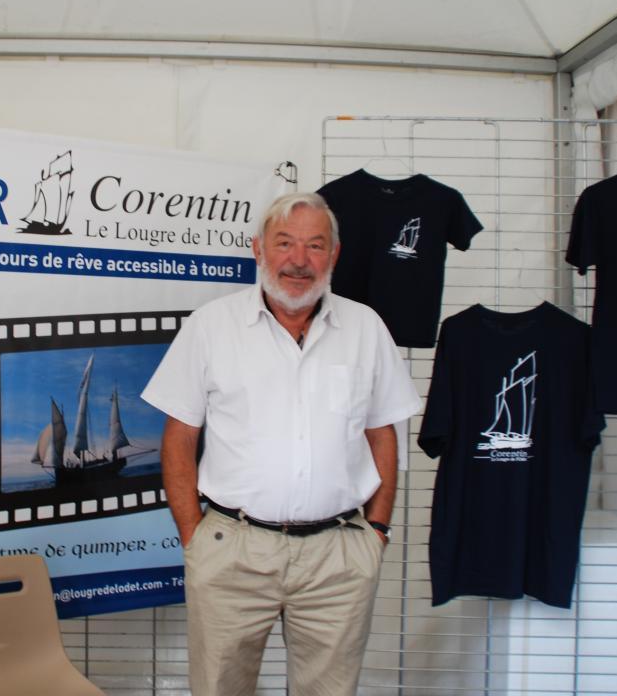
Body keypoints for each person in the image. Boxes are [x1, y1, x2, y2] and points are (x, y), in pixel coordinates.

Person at [142, 192, 422, 696]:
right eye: (285, 243)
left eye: (315, 246)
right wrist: (194, 537)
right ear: (258, 250)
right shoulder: (210, 327)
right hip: (232, 551)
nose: (299, 260)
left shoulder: (366, 329)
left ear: (334, 256)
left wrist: (375, 531)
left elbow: (384, 433)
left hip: (338, 557)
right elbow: (179, 437)